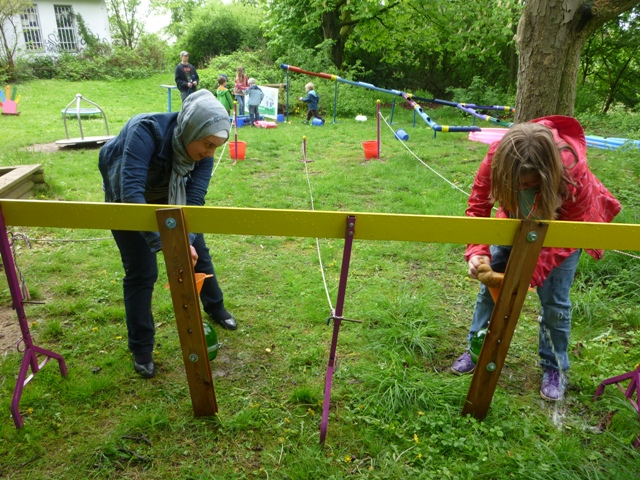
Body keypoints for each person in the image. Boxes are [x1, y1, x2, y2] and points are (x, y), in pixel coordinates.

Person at [451, 116, 621, 401]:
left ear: (546, 173)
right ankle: (477, 349)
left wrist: (528, 274)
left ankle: (554, 368)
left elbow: (572, 231)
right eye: (514, 182)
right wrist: (477, 251)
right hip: (514, 224)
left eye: (528, 183)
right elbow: (479, 203)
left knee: (554, 302)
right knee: (488, 291)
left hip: (562, 232)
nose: (521, 187)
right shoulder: (496, 155)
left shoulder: (572, 168)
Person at [98, 90, 238, 379]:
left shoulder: (203, 149)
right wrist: (165, 244)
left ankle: (217, 308)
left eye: (216, 147)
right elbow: (130, 193)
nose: (210, 154)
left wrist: (184, 241)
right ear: (191, 129)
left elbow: (195, 201)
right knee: (141, 273)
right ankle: (141, 349)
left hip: (171, 197)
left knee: (200, 256)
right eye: (208, 145)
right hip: (127, 198)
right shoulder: (145, 131)